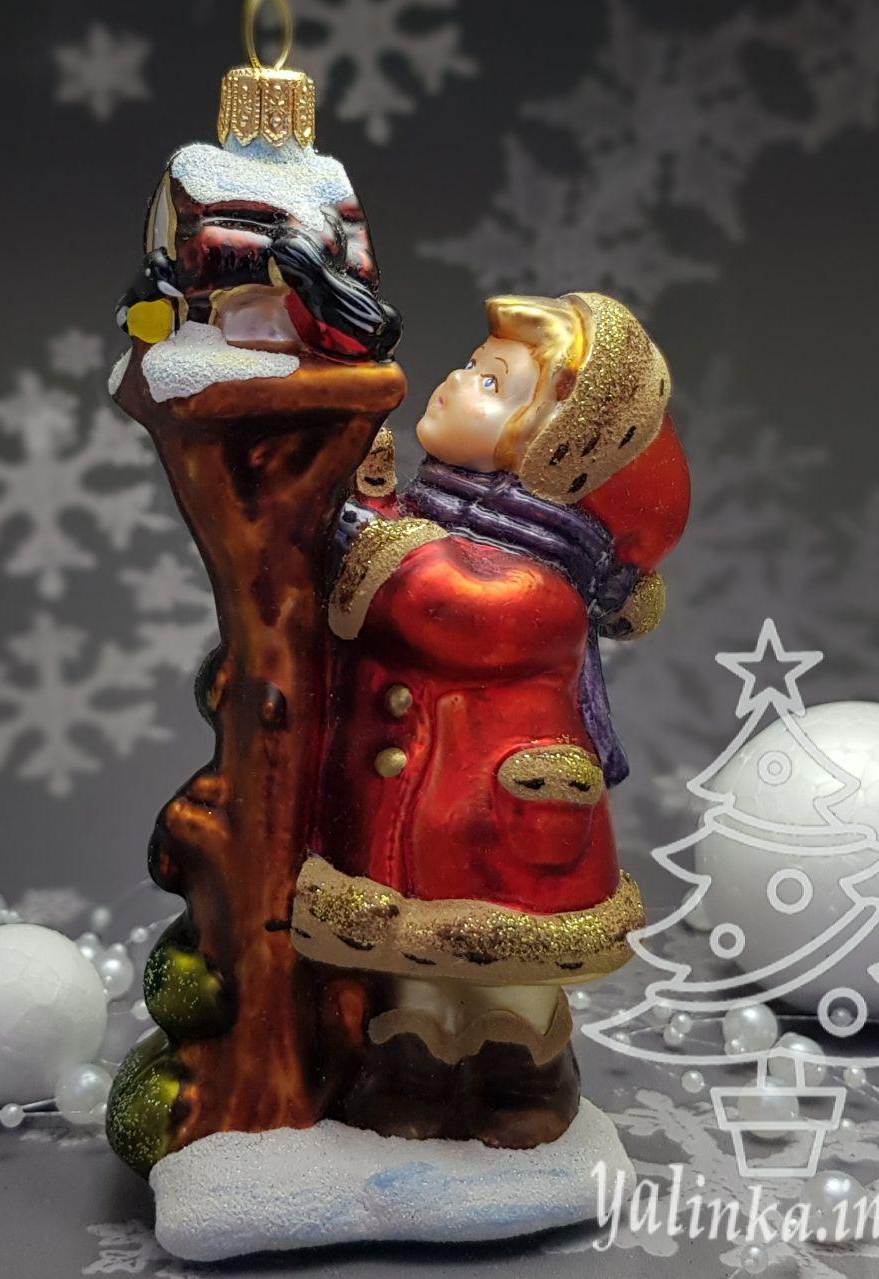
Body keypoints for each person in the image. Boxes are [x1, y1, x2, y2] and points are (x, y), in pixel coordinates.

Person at [294, 292, 690, 1146]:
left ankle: (522, 1068)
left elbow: (442, 602)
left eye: (489, 380)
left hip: (497, 811)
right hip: (418, 808)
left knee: (509, 961)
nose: (454, 378)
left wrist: (359, 529)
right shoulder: (431, 520)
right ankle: (413, 1061)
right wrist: (372, 503)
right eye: (473, 364)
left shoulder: (537, 583)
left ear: (550, 452)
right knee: (415, 960)